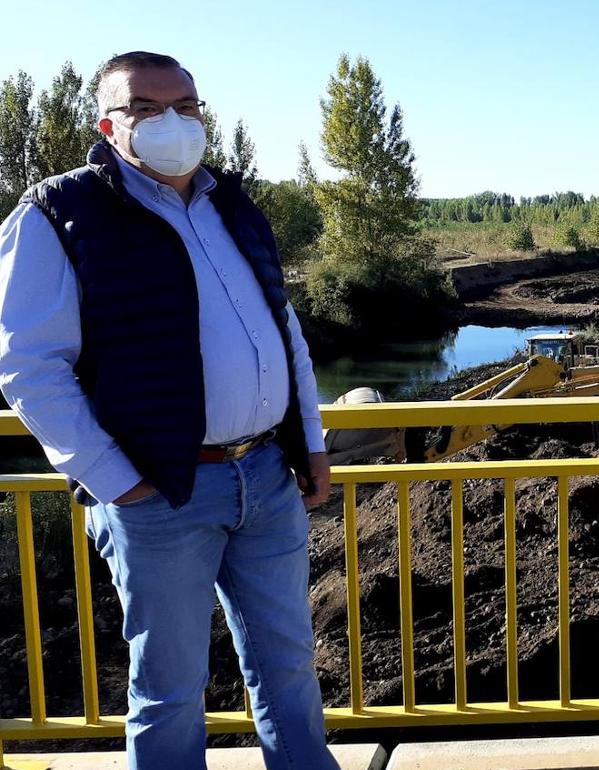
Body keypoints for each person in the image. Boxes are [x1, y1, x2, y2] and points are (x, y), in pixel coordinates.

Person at [0, 52, 338, 770]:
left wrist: (309, 441)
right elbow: (28, 367)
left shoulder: (234, 207)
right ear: (108, 125)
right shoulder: (59, 212)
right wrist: (120, 483)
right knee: (170, 690)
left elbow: (286, 332)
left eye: (186, 105)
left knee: (288, 669)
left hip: (269, 479)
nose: (173, 122)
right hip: (159, 492)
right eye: (148, 109)